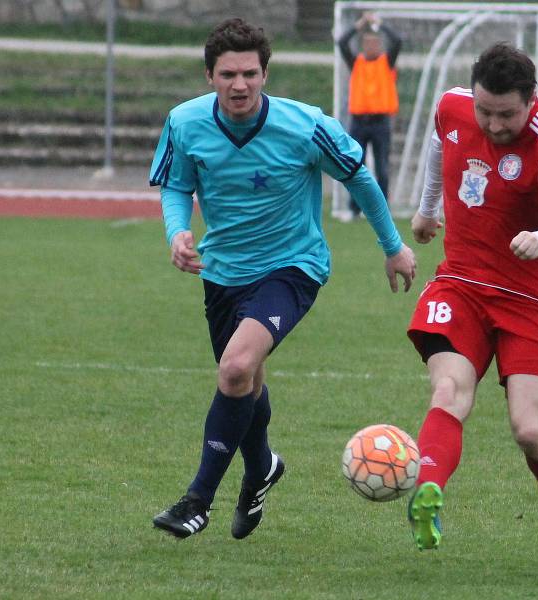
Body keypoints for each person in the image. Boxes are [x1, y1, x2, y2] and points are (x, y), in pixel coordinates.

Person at [148, 18, 416, 540]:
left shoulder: (304, 125)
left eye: (250, 73)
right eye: (228, 74)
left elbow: (359, 178)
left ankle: (196, 500)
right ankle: (260, 469)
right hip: (223, 272)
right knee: (246, 379)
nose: (239, 84)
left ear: (266, 73)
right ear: (209, 76)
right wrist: (177, 233)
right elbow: (176, 186)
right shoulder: (184, 123)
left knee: (236, 367)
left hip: (293, 267)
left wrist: (393, 246)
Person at [405, 42, 538, 579]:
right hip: (462, 282)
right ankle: (427, 488)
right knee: (448, 391)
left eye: (506, 114)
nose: (492, 123)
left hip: (533, 298)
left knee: (530, 430)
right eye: (486, 111)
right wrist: (426, 209)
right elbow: (440, 144)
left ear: (531, 101)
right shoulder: (454, 106)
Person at [337, 11, 402, 219]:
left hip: (380, 122)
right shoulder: (356, 63)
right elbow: (342, 41)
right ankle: (354, 208)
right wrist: (360, 24)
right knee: (356, 165)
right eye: (367, 43)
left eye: (375, 43)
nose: (371, 47)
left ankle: (382, 208)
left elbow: (398, 40)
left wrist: (379, 24)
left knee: (382, 166)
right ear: (363, 45)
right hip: (359, 122)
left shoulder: (386, 63)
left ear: (380, 45)